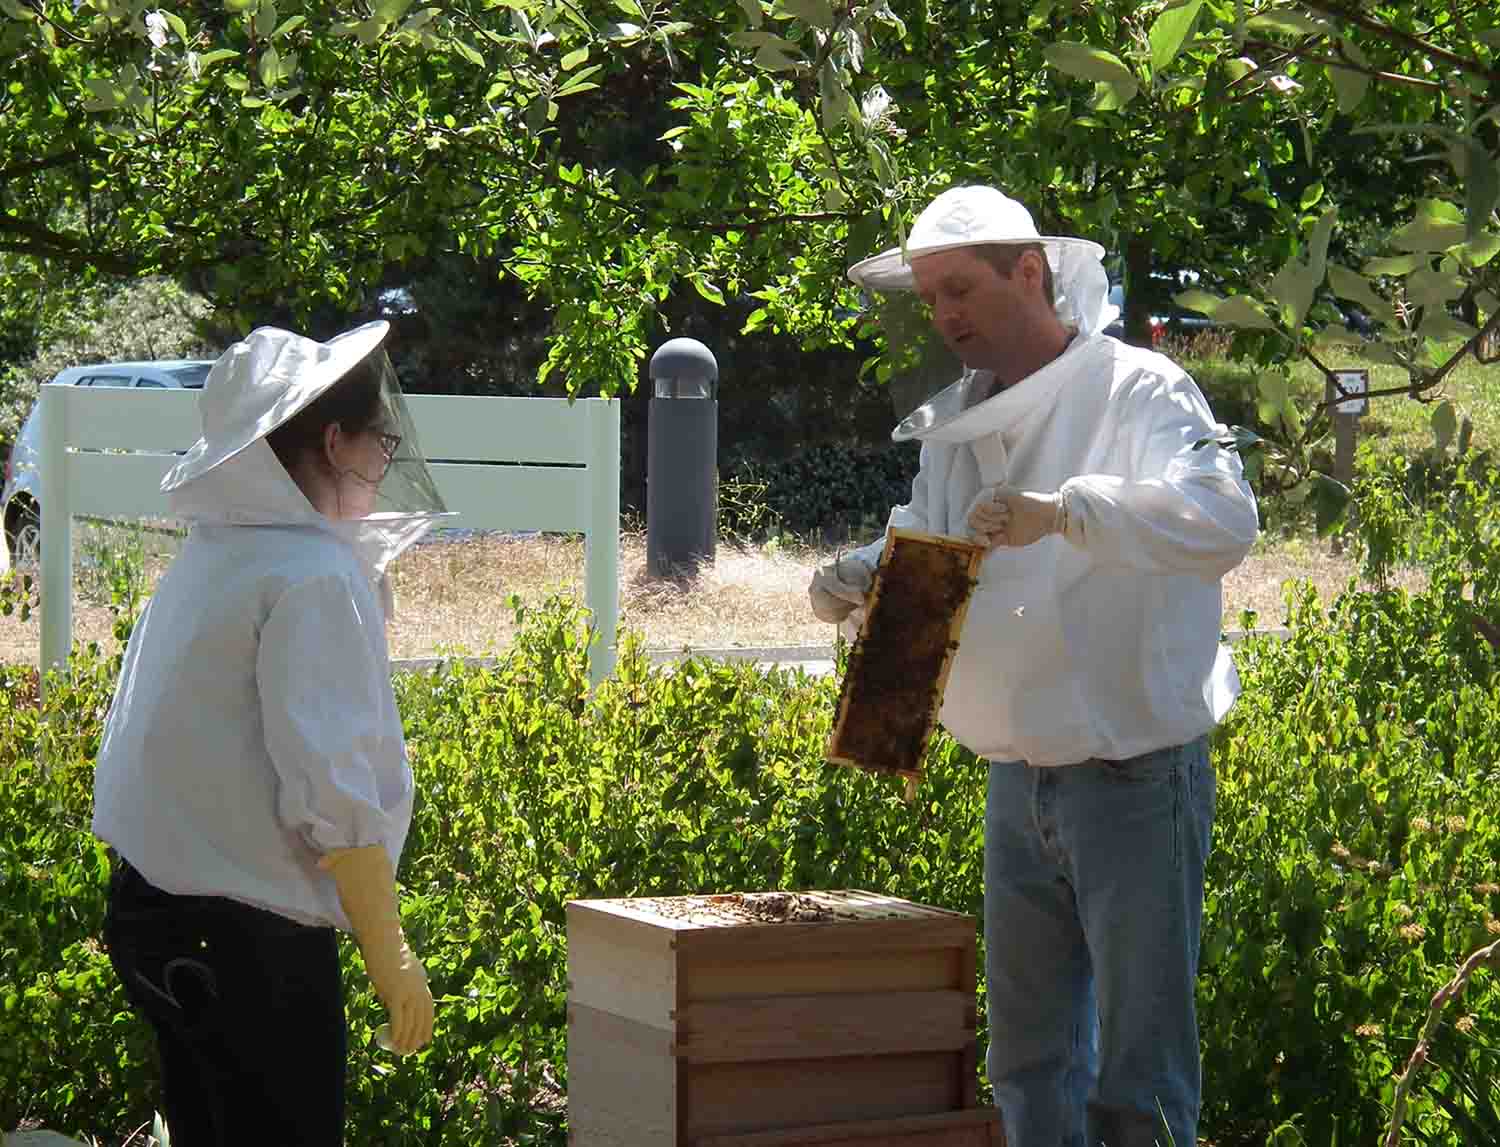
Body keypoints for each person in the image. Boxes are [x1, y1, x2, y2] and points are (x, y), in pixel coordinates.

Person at [809, 186, 1260, 1147]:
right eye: (929, 298)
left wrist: (1069, 511)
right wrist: (864, 585)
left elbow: (1226, 521)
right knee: (1027, 1070)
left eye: (961, 289)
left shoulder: (1138, 389)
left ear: (1030, 272)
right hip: (1014, 783)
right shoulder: (959, 423)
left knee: (1140, 1085)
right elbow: (933, 572)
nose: (945, 316)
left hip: (1134, 777)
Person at [93, 321, 453, 1145]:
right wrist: (389, 953)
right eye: (380, 437)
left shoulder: (218, 556)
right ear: (335, 440)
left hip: (153, 912)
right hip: (248, 943)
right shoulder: (311, 576)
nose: (386, 456)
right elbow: (332, 784)